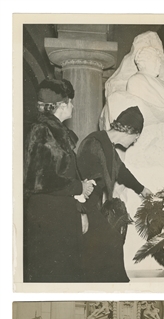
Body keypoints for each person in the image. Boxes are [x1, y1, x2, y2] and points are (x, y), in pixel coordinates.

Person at [24, 78, 94, 282]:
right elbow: (39, 179)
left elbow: (63, 174)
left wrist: (80, 207)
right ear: (61, 105)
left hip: (59, 213)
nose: (73, 106)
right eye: (70, 102)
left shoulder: (55, 132)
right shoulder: (42, 131)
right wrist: (80, 186)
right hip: (48, 216)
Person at [77, 106, 153, 282]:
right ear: (129, 131)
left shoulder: (106, 145)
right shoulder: (94, 143)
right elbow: (86, 186)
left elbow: (121, 171)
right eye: (136, 137)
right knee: (111, 241)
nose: (134, 142)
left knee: (113, 241)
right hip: (84, 207)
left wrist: (142, 189)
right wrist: (84, 213)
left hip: (93, 206)